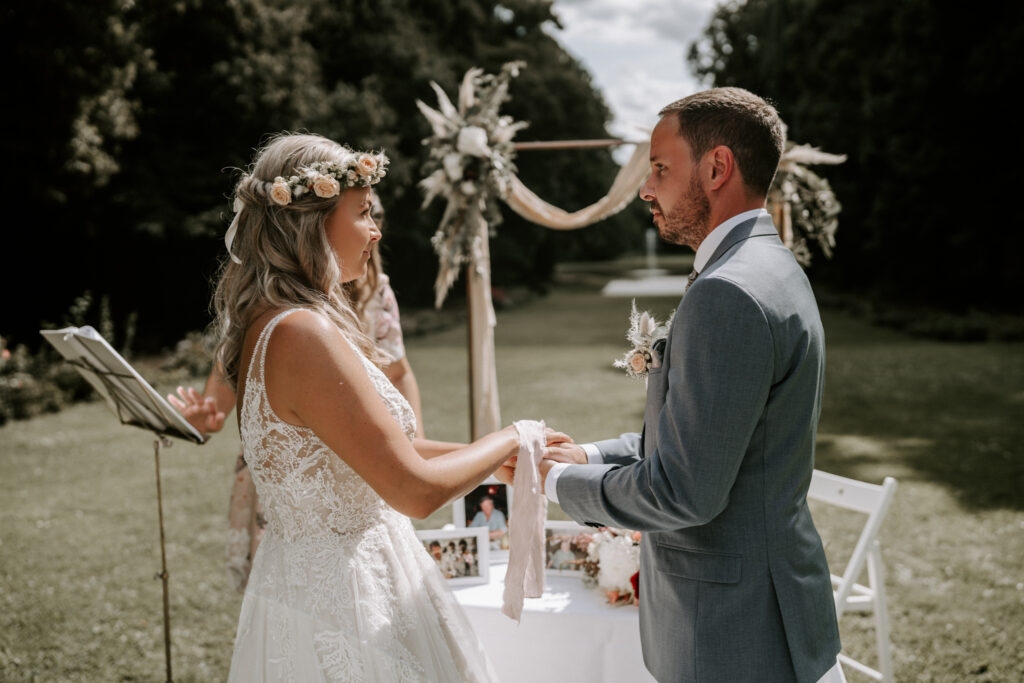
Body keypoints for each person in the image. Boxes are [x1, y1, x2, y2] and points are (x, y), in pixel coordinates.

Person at [198, 132, 555, 681]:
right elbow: (415, 491)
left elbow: (384, 449)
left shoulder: (275, 321)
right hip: (347, 603)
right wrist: (515, 435)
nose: (376, 230)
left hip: (309, 584)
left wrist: (486, 459)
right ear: (312, 221)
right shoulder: (301, 333)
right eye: (363, 213)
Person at [540, 89, 842, 682]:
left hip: (734, 631)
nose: (646, 189)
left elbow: (683, 491)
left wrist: (553, 481)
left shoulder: (727, 291)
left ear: (717, 167)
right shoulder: (771, 266)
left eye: (659, 168)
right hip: (766, 611)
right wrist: (590, 454)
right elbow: (714, 437)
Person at [168, 191, 425, 592]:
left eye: (373, 219)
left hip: (364, 453)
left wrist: (414, 444)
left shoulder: (375, 291)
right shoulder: (274, 315)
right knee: (293, 585)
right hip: (296, 469)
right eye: (362, 216)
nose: (373, 233)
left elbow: (400, 370)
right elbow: (219, 397)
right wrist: (202, 420)